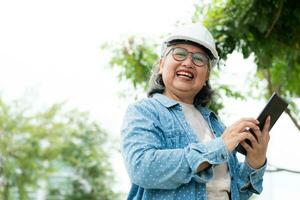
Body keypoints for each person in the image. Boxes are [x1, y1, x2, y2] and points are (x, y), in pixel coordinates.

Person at [120, 23, 270, 200]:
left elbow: (237, 193)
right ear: (161, 65)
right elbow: (142, 168)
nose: (188, 63)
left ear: (206, 76)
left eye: (199, 59)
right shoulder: (144, 112)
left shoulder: (216, 126)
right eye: (179, 54)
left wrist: (255, 162)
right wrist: (218, 147)